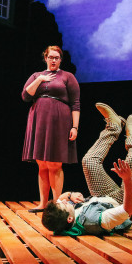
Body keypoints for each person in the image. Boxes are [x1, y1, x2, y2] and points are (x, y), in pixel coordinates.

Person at [41, 103, 132, 236]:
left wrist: (70, 195)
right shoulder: (96, 220)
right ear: (70, 219)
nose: (65, 202)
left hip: (103, 196)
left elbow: (62, 198)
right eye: (65, 205)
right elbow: (129, 209)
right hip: (128, 203)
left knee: (89, 162)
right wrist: (127, 179)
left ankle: (114, 126)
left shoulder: (63, 218)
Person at [21, 46, 80, 212]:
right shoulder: (36, 76)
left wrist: (75, 126)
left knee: (54, 164)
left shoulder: (67, 77)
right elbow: (26, 96)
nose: (54, 60)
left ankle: (57, 203)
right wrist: (39, 80)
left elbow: (75, 104)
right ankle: (43, 203)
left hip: (59, 121)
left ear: (60, 60)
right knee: (42, 164)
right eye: (51, 57)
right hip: (38, 120)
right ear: (45, 58)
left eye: (57, 57)